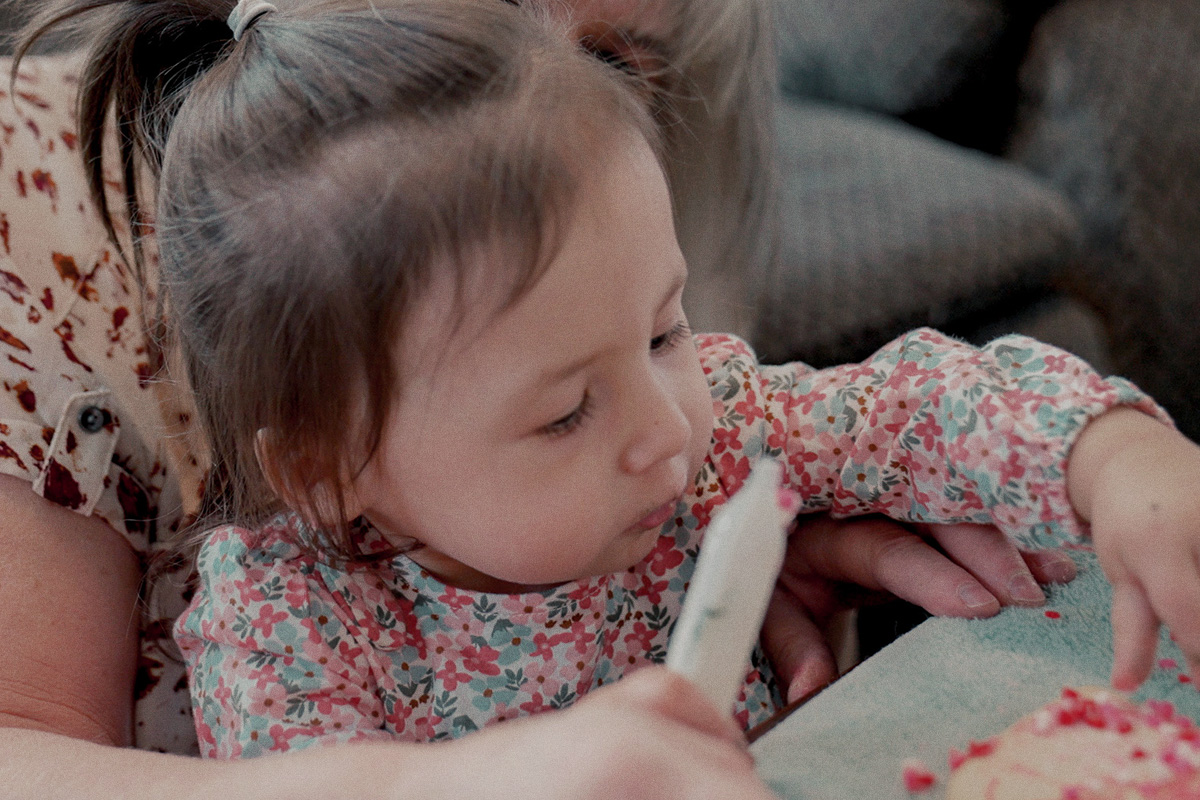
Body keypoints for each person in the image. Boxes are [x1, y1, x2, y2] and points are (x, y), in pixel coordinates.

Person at [39, 0, 1190, 763]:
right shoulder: (286, 631)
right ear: (334, 463)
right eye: (563, 410)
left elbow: (924, 407)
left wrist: (1117, 458)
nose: (666, 429)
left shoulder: (709, 433)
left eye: (662, 329)